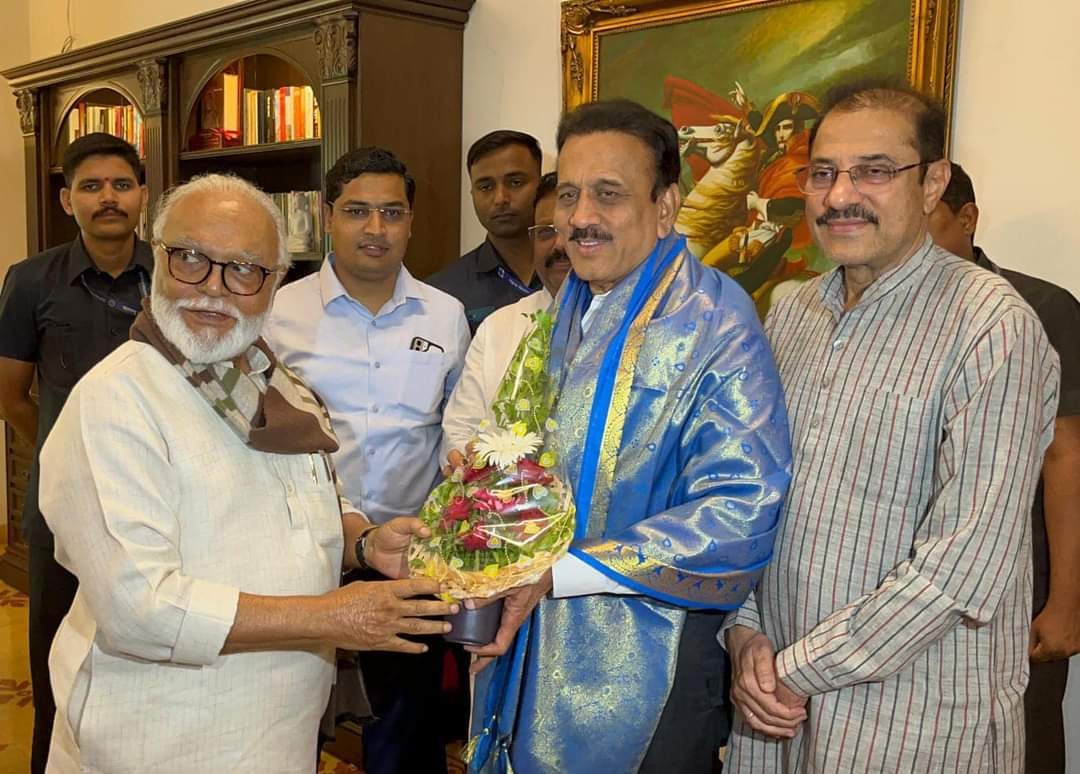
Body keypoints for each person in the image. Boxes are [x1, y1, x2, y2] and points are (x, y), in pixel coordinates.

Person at [37, 173, 457, 772]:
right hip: (159, 737)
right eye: (190, 258)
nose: (213, 289)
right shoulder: (115, 400)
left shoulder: (276, 385)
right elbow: (140, 608)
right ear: (157, 258)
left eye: (243, 269)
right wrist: (333, 616)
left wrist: (362, 542)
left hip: (279, 728)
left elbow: (296, 510)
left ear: (274, 283)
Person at [723, 82, 1060, 772]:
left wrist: (798, 668)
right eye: (823, 172)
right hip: (773, 710)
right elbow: (752, 490)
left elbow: (966, 563)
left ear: (932, 182)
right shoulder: (792, 313)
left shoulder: (994, 326)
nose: (840, 195)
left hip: (911, 722)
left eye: (874, 171)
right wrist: (744, 630)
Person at [465, 99, 792, 774]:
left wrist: (562, 572)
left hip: (654, 652)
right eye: (570, 195)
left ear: (665, 206)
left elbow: (742, 506)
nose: (581, 217)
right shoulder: (571, 306)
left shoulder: (712, 319)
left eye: (609, 195)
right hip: (537, 630)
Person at [264, 146, 469, 774]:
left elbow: (460, 429)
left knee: (404, 735)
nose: (375, 228)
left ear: (411, 221)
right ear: (328, 216)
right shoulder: (278, 313)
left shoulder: (445, 315)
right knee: (288, 717)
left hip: (407, 557)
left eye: (391, 212)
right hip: (302, 551)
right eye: (357, 211)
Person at [0, 132, 151, 774]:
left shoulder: (176, 274)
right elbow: (10, 394)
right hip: (60, 507)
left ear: (143, 195)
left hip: (155, 502)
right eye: (91, 186)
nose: (107, 198)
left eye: (121, 184)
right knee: (57, 655)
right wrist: (62, 454)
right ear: (68, 200)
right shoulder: (31, 280)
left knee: (147, 653)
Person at [929, 162, 1080, 774]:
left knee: (1020, 743)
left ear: (967, 219)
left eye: (928, 223)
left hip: (1018, 582)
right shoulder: (871, 314)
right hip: (910, 585)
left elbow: (1066, 456)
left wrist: (1065, 601)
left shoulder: (1039, 307)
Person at [441, 171, 570, 454]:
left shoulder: (631, 323)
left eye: (570, 230)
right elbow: (460, 428)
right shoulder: (499, 327)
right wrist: (461, 455)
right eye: (546, 232)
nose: (558, 245)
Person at [428, 130, 543, 331]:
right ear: (472, 193)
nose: (500, 198)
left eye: (515, 183)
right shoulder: (443, 293)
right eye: (486, 187)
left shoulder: (576, 272)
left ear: (541, 185)